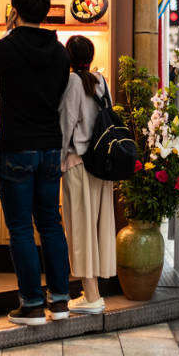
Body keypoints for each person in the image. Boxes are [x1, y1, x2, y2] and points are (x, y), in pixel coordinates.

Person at [0, 0, 72, 326]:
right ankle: (60, 301)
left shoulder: (8, 46)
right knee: (50, 222)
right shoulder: (60, 52)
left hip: (16, 145)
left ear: (15, 10)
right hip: (50, 146)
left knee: (19, 227)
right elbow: (61, 89)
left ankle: (31, 304)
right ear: (46, 11)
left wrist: (4, 35)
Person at [58, 35, 116, 315]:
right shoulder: (100, 81)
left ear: (68, 57)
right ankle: (92, 292)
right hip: (101, 164)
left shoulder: (72, 83)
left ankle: (91, 295)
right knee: (97, 227)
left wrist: (57, 163)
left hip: (77, 164)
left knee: (79, 229)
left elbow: (66, 125)